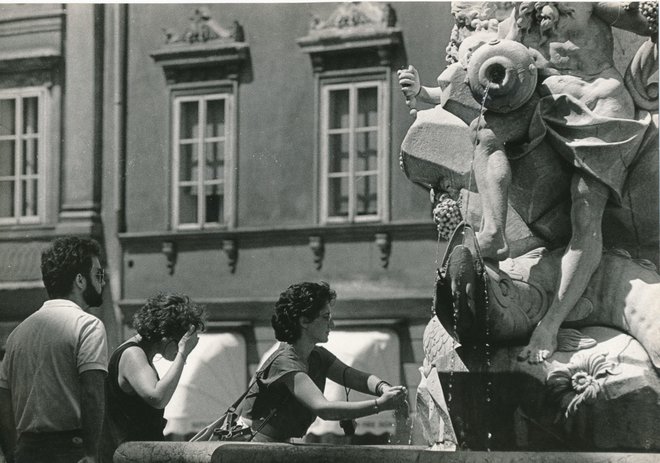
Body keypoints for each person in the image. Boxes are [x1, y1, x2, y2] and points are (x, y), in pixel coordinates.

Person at [398, 2, 655, 364]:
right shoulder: (524, 13)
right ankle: (494, 232)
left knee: (586, 217)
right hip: (543, 100)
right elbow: (484, 76)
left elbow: (646, 23)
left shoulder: (589, 5)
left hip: (598, 107)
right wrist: (426, 94)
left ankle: (550, 324)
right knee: (486, 134)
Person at [236, 281, 407, 443]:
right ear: (304, 321)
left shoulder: (316, 355)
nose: (331, 325)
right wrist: (380, 405)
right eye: (326, 317)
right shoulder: (285, 362)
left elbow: (352, 376)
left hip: (274, 444)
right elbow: (323, 408)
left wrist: (384, 388)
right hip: (250, 443)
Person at [0, 237, 108, 463]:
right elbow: (92, 393)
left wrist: (11, 453)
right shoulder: (88, 325)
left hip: (26, 449)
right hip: (69, 449)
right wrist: (90, 452)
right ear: (80, 280)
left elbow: (3, 399)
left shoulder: (17, 334)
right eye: (98, 275)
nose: (103, 282)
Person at [100, 293, 203, 463]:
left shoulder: (139, 354)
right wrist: (183, 354)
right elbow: (157, 397)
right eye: (180, 342)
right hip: (131, 456)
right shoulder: (133, 354)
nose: (179, 350)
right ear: (166, 335)